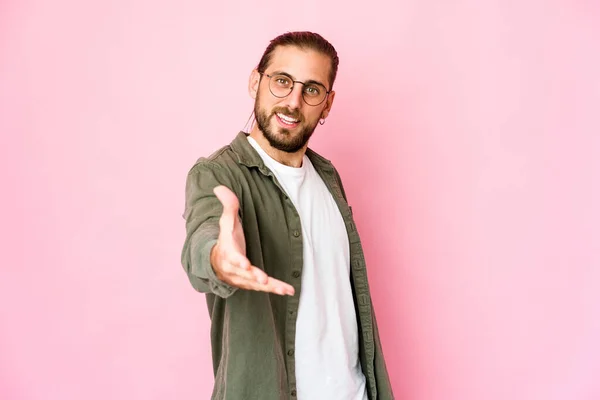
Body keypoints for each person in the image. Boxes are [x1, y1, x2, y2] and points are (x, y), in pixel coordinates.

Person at [181, 31, 394, 400]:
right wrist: (220, 258)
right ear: (255, 82)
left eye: (311, 90)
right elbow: (203, 237)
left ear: (327, 105)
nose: (293, 101)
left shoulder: (328, 177)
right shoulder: (218, 175)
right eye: (282, 81)